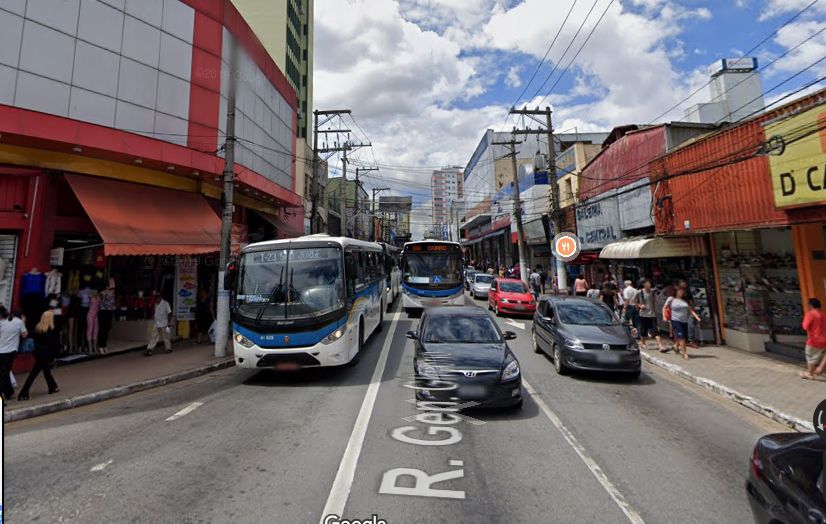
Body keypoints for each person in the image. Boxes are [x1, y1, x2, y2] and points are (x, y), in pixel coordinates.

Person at [18, 310, 60, 400]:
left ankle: (52, 386)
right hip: (44, 354)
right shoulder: (50, 330)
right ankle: (23, 393)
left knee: (46, 371)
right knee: (34, 373)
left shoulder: (38, 327)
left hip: (37, 353)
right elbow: (53, 343)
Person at [665, 287, 701, 360]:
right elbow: (664, 307)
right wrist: (664, 316)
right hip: (675, 320)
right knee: (682, 337)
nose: (681, 293)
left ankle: (675, 346)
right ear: (676, 291)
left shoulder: (684, 301)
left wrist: (697, 317)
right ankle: (685, 354)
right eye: (680, 291)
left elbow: (690, 310)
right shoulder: (671, 299)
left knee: (684, 336)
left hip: (684, 320)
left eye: (683, 291)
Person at [0, 306, 27, 400]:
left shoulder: (2, 323)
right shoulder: (19, 322)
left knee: (5, 373)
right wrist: (23, 322)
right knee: (4, 374)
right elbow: (25, 334)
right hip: (9, 351)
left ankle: (9, 392)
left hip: (1, 351)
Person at [635, 279, 666, 352]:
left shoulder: (653, 291)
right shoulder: (640, 292)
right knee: (643, 330)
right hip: (643, 314)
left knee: (656, 330)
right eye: (647, 283)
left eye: (649, 283)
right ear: (644, 284)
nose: (649, 284)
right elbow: (634, 301)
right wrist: (640, 305)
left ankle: (660, 346)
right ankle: (643, 343)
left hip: (652, 314)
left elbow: (656, 299)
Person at [801, 298, 826, 380]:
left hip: (814, 339)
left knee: (810, 356)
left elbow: (805, 326)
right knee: (817, 356)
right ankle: (814, 371)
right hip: (824, 339)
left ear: (810, 305)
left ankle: (810, 374)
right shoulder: (824, 314)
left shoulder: (810, 314)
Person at [145, 291, 172, 356]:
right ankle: (149, 349)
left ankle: (168, 348)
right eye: (156, 298)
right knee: (153, 336)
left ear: (161, 297)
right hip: (156, 323)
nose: (156, 299)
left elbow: (169, 313)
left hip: (164, 323)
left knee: (166, 337)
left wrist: (169, 322)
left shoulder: (166, 304)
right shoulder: (156, 304)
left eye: (157, 298)